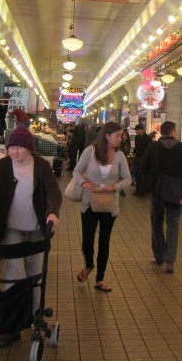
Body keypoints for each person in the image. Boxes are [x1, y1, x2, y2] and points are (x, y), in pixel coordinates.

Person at [0, 125, 62, 346]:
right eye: (11, 147)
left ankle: (35, 314)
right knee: (14, 273)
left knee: (35, 274)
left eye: (19, 147)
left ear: (29, 148)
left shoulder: (42, 167)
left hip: (37, 228)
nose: (14, 152)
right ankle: (11, 322)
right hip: (12, 229)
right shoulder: (3, 166)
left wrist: (53, 213)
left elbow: (54, 192)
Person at [73, 121, 131, 293]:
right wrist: (84, 182)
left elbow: (128, 179)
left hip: (109, 205)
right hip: (89, 202)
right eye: (117, 136)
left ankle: (100, 278)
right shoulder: (90, 151)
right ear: (107, 135)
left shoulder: (120, 156)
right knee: (87, 241)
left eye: (121, 135)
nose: (121, 139)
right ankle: (89, 264)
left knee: (104, 241)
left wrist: (117, 187)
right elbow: (77, 171)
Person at [140, 121, 182, 274]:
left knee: (156, 222)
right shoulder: (180, 147)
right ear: (173, 132)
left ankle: (159, 256)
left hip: (157, 190)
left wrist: (152, 180)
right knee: (173, 224)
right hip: (176, 192)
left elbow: (143, 168)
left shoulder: (153, 147)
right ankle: (170, 261)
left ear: (161, 132)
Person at [132, 124, 152, 196]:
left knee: (142, 175)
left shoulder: (148, 138)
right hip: (137, 157)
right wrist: (134, 152)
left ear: (142, 130)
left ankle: (142, 191)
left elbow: (149, 149)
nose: (136, 132)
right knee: (137, 174)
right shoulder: (137, 137)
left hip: (143, 159)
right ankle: (137, 190)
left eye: (137, 130)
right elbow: (136, 146)